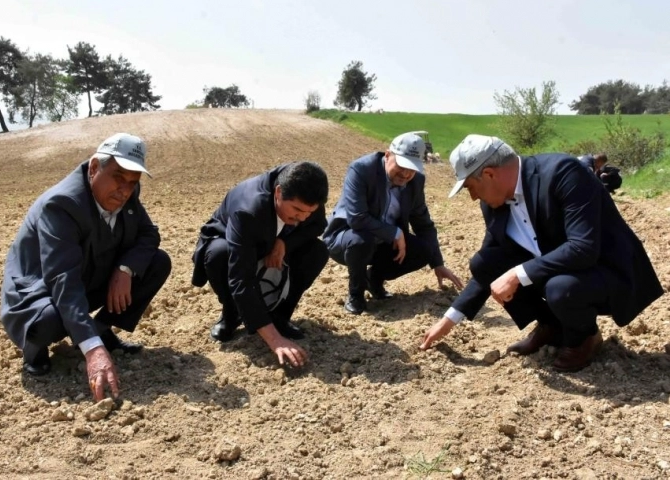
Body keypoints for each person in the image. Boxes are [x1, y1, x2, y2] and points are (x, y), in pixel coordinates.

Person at [421, 135, 662, 371]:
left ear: (489, 174)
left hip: (606, 271)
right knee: (485, 263)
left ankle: (585, 338)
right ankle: (551, 326)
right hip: (561, 271)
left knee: (559, 288)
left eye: (470, 188)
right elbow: (488, 265)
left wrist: (517, 274)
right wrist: (450, 319)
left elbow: (583, 248)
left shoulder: (563, 172)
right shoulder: (494, 203)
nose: (473, 197)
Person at [0, 133, 171, 400]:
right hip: (39, 290)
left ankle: (100, 330)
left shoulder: (127, 193)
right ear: (94, 168)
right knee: (49, 320)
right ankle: (34, 349)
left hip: (86, 271)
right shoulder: (62, 205)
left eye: (132, 182)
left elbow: (148, 234)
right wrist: (92, 351)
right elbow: (62, 279)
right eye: (118, 177)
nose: (124, 190)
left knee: (155, 263)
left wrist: (124, 269)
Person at [191, 162, 329, 368]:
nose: (301, 218)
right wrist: (275, 341)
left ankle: (279, 318)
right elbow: (240, 278)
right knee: (219, 255)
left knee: (316, 252)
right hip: (232, 246)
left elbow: (317, 225)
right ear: (279, 192)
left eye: (308, 212)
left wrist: (284, 243)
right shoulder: (248, 209)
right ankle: (231, 315)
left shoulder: (307, 190)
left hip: (273, 241)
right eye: (297, 211)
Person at [322, 132, 463, 315]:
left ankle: (374, 280)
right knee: (362, 240)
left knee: (425, 249)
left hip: (382, 242)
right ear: (388, 155)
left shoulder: (416, 181)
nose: (405, 174)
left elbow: (423, 223)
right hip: (347, 238)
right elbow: (357, 218)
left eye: (411, 169)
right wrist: (394, 233)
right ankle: (356, 294)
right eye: (401, 165)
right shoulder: (362, 169)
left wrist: (437, 263)